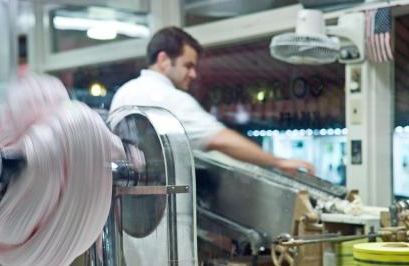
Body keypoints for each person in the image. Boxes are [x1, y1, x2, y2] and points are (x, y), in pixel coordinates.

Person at [110, 26, 315, 174]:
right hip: (165, 212)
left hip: (129, 216)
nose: (193, 74)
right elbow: (220, 139)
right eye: (187, 65)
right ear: (163, 60)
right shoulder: (170, 98)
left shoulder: (125, 92)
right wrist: (278, 162)